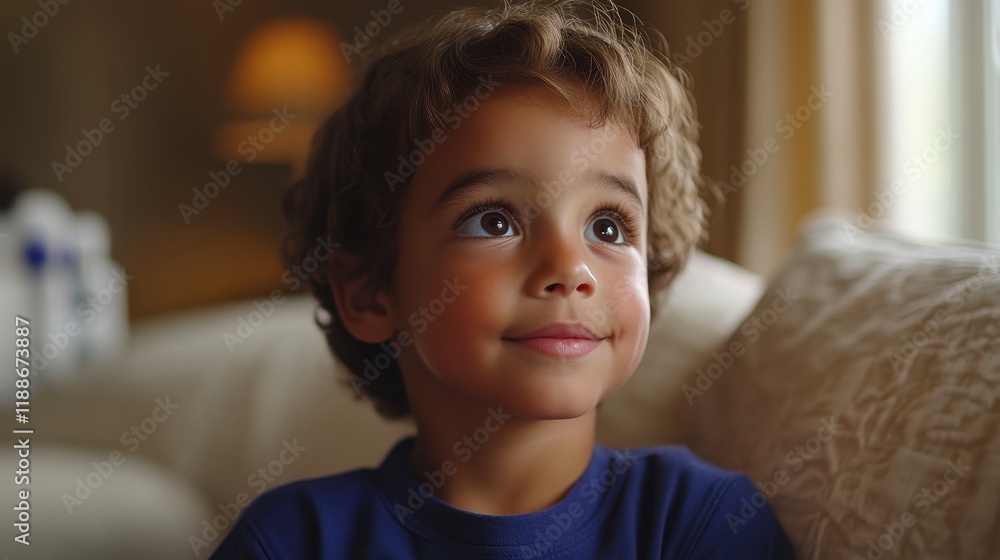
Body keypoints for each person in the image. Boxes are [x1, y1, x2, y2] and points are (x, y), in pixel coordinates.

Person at [211, 0, 796, 558]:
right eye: (493, 220)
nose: (569, 268)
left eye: (610, 228)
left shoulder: (702, 524)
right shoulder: (291, 541)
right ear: (368, 292)